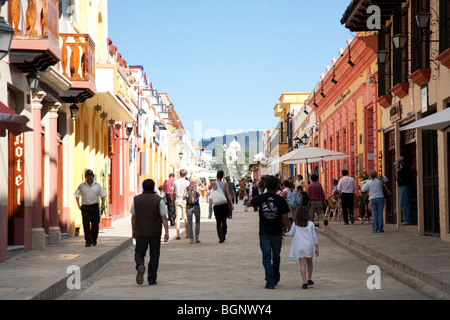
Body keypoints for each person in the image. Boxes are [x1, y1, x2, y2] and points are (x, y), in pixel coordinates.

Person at [247, 175, 291, 289]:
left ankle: (270, 280)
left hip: (264, 232)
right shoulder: (280, 199)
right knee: (276, 256)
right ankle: (275, 276)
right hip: (277, 232)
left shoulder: (261, 198)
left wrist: (250, 197)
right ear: (277, 186)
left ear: (265, 186)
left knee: (266, 257)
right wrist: (286, 227)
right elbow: (285, 216)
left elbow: (248, 204)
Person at [131, 179, 169, 285]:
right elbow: (164, 217)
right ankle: (152, 279)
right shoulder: (159, 200)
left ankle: (140, 265)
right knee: (154, 255)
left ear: (143, 187)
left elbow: (133, 217)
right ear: (153, 187)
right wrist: (166, 231)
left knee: (139, 252)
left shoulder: (136, 200)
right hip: (155, 232)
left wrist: (133, 230)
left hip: (141, 232)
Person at [284, 205, 319, 289]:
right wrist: (317, 247)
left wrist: (283, 233)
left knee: (302, 264)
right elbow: (314, 237)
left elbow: (290, 234)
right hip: (309, 246)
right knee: (310, 262)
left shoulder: (295, 223)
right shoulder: (310, 224)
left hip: (299, 246)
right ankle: (310, 278)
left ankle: (304, 282)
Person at [74, 169, 107, 247]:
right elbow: (77, 195)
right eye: (88, 176)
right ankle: (88, 241)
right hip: (85, 207)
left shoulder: (97, 185)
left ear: (93, 176)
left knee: (95, 224)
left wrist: (102, 204)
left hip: (95, 206)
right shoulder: (82, 186)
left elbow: (102, 195)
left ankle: (94, 239)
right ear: (85, 177)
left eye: (91, 175)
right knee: (86, 224)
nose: (89, 177)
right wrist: (79, 205)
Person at [209, 170, 234, 243]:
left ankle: (220, 237)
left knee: (218, 221)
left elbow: (209, 188)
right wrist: (231, 203)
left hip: (217, 205)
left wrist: (213, 182)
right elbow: (228, 194)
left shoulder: (213, 183)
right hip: (224, 204)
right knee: (224, 221)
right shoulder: (225, 184)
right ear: (222, 176)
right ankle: (224, 235)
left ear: (217, 175)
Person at [171, 169, 190, 240]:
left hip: (177, 200)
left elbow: (171, 192)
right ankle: (187, 234)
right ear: (185, 175)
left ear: (179, 174)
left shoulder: (175, 182)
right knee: (185, 217)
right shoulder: (187, 182)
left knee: (177, 217)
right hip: (184, 200)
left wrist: (172, 200)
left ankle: (177, 233)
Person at [396, 156, 414, 225]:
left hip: (404, 187)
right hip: (404, 187)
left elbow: (402, 177)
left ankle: (407, 219)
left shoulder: (404, 169)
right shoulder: (405, 168)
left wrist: (399, 172)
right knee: (404, 203)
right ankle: (406, 218)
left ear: (401, 162)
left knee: (404, 203)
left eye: (398, 163)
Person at [183, 176, 201, 244]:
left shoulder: (187, 188)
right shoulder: (197, 187)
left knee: (190, 223)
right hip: (196, 206)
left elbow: (183, 197)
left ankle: (191, 239)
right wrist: (200, 182)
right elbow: (205, 189)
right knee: (197, 222)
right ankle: (196, 237)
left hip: (188, 206)